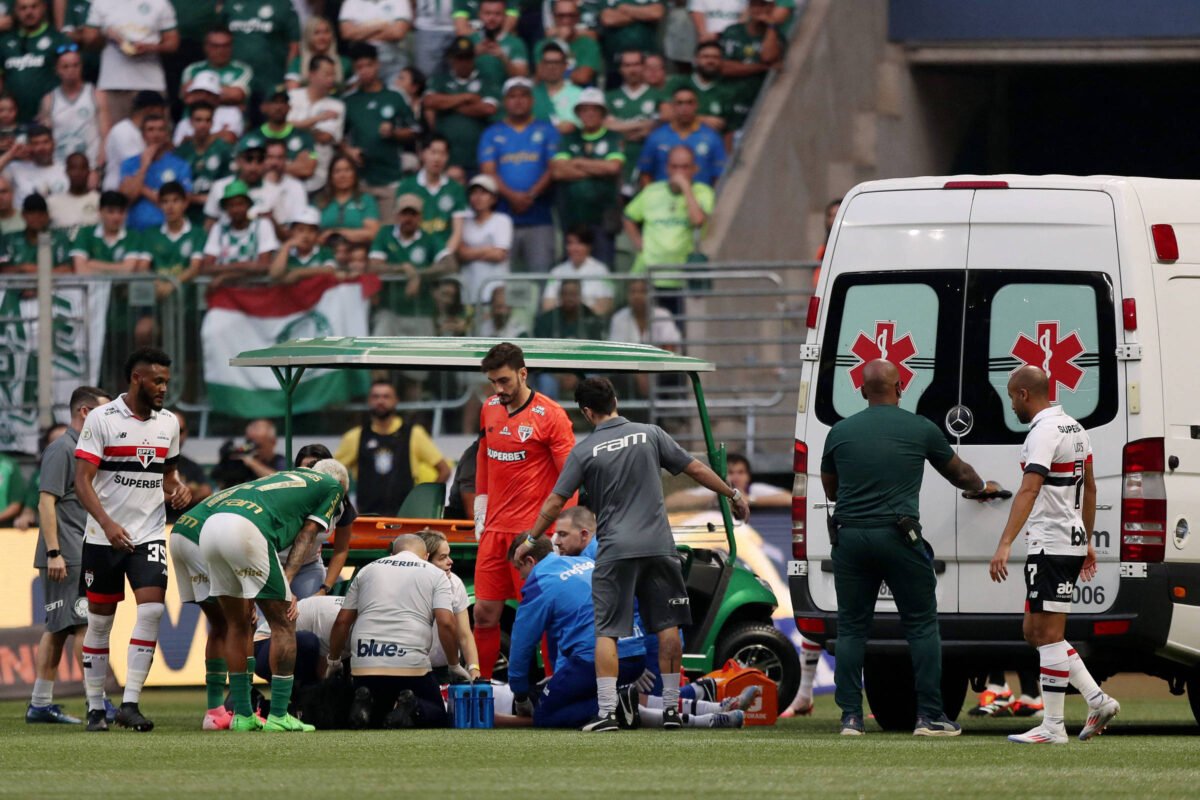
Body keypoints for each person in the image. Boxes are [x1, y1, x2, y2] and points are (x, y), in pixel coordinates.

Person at [516, 376, 747, 730]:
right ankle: (672, 710)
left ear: (586, 412)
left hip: (615, 550)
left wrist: (531, 539)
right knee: (668, 626)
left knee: (607, 632)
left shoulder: (584, 450)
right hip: (658, 545)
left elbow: (555, 502)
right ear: (616, 401)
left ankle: (607, 712)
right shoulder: (650, 433)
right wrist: (732, 495)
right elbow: (695, 469)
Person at [821, 358, 998, 737]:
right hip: (899, 535)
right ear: (901, 388)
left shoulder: (840, 431)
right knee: (920, 626)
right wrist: (982, 487)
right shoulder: (919, 428)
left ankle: (851, 717)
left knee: (852, 629)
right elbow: (959, 473)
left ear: (862, 390)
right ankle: (929, 716)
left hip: (850, 537)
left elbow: (831, 488)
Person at [988, 365, 1121, 744]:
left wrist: (1005, 541)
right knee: (1033, 631)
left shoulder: (1043, 433)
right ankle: (1097, 699)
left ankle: (1053, 726)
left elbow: (1029, 490)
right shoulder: (1075, 429)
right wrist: (1087, 538)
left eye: (1012, 397)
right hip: (1068, 539)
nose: (1012, 404)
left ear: (1024, 395)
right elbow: (1090, 488)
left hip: (1051, 542)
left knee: (1047, 634)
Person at [73, 347, 191, 732]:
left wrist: (178, 490)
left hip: (149, 534)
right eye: (158, 381)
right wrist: (107, 524)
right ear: (137, 378)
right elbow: (82, 482)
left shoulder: (168, 423)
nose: (163, 389)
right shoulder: (102, 420)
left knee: (153, 610)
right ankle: (94, 707)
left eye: (167, 382)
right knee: (100, 623)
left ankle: (130, 703)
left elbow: (167, 476)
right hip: (104, 538)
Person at [199, 459, 348, 732]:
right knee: (284, 622)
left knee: (236, 624)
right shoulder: (332, 486)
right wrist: (287, 586)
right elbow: (307, 535)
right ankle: (279, 714)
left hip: (210, 528)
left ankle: (243, 713)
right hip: (247, 532)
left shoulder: (285, 478)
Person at [471, 341, 575, 679]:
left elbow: (569, 478)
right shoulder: (489, 408)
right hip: (495, 532)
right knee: (484, 614)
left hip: (533, 536)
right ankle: (482, 689)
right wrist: (481, 504)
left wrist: (559, 531)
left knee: (541, 618)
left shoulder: (551, 415)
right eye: (493, 382)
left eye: (504, 381)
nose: (498, 389)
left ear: (523, 373)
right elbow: (484, 456)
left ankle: (552, 686)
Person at [26, 385, 110, 725]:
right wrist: (55, 552)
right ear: (85, 413)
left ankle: (40, 703)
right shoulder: (62, 449)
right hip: (67, 552)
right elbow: (46, 501)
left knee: (58, 628)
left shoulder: (87, 450)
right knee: (82, 626)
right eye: (104, 412)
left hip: (80, 548)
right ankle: (97, 702)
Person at [329, 534, 463, 729]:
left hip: (366, 666)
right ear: (425, 556)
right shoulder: (435, 575)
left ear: (392, 553)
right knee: (437, 715)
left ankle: (367, 702)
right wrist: (454, 664)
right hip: (411, 667)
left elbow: (342, 622)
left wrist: (333, 661)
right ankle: (413, 705)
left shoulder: (367, 570)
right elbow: (446, 623)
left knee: (379, 719)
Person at [333, 378, 452, 515]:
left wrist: (424, 501)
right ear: (369, 401)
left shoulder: (414, 434)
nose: (380, 401)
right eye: (375, 396)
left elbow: (444, 470)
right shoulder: (355, 437)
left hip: (404, 520)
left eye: (386, 396)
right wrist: (343, 506)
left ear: (396, 400)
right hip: (367, 519)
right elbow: (332, 475)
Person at [478, 76, 559, 273]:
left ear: (532, 100)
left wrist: (531, 195)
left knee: (541, 275)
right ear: (505, 101)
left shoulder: (547, 130)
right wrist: (512, 196)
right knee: (502, 279)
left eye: (523, 95)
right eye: (512, 96)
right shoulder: (492, 132)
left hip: (540, 215)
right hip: (502, 216)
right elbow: (488, 171)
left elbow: (554, 168)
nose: (518, 100)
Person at [623, 145, 712, 310]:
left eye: (685, 167)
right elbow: (628, 217)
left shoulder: (703, 192)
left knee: (677, 332)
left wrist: (686, 188)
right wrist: (638, 242)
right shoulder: (651, 191)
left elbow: (698, 220)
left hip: (679, 277)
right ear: (667, 168)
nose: (679, 172)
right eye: (674, 167)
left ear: (694, 169)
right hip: (648, 274)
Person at [342, 43, 417, 224]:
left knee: (388, 235)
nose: (365, 71)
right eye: (360, 67)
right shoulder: (349, 101)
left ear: (377, 65)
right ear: (354, 70)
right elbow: (339, 139)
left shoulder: (394, 96)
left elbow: (414, 131)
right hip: (361, 182)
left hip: (390, 180)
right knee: (362, 234)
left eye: (369, 65)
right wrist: (349, 152)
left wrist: (394, 132)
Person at [369, 192, 455, 347]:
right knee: (378, 357)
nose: (408, 218)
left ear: (420, 216)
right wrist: (402, 268)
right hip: (389, 310)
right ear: (396, 215)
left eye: (413, 214)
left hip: (421, 311)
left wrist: (417, 274)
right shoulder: (385, 234)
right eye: (404, 213)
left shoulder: (430, 238)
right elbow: (373, 266)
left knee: (420, 365)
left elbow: (450, 264)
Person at [550, 91, 623, 266]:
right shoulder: (569, 138)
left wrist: (578, 162)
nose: (589, 114)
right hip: (573, 217)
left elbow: (613, 167)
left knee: (604, 267)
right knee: (572, 270)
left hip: (603, 218)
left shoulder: (613, 137)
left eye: (594, 110)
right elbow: (558, 171)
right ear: (578, 113)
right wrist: (598, 167)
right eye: (585, 110)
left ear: (602, 113)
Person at [83, 0, 178, 122]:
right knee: (115, 137)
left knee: (155, 136)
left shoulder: (160, 3)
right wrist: (108, 35)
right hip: (113, 86)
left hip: (151, 85)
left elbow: (173, 43)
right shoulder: (101, 3)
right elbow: (88, 40)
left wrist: (149, 48)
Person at [291, 443, 358, 601]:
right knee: (264, 622)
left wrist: (325, 588)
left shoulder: (341, 505)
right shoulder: (288, 498)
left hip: (309, 565)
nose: (314, 475)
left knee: (311, 614)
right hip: (274, 566)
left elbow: (341, 549)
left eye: (317, 467)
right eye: (307, 469)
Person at [424, 37, 499, 176]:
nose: (464, 62)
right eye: (459, 58)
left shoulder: (485, 79)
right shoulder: (441, 79)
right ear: (452, 59)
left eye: (467, 58)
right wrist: (467, 97)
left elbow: (488, 109)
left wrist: (447, 104)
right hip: (446, 159)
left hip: (477, 157)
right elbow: (429, 102)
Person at [417, 529, 482, 682]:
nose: (450, 561)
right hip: (411, 670)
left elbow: (465, 635)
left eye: (449, 555)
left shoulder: (455, 582)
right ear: (425, 560)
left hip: (446, 669)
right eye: (443, 557)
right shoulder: (409, 585)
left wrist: (474, 668)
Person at [394, 132, 467, 254]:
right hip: (413, 256)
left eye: (442, 154)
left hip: (445, 255)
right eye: (433, 152)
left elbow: (457, 231)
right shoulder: (407, 186)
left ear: (448, 157)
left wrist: (444, 256)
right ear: (422, 154)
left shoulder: (456, 189)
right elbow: (399, 225)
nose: (437, 158)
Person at [638, 86, 725, 188]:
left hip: (700, 200)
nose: (685, 108)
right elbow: (645, 174)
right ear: (672, 106)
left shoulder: (712, 138)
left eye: (689, 103)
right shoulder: (656, 137)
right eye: (679, 103)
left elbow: (719, 177)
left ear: (696, 105)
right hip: (664, 201)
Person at [38, 45, 111, 168]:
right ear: (57, 70)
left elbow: (106, 135)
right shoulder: (49, 99)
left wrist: (98, 168)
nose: (71, 70)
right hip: (59, 165)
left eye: (75, 65)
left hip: (90, 165)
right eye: (65, 67)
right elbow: (45, 138)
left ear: (81, 67)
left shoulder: (96, 95)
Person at [118, 113, 192, 231]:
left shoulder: (180, 165)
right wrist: (144, 166)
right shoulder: (129, 164)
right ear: (143, 135)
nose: (156, 134)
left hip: (166, 232)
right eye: (150, 130)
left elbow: (183, 203)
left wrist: (141, 188)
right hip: (135, 231)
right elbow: (126, 199)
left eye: (160, 130)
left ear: (167, 134)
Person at [718, 0, 784, 132]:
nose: (758, 9)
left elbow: (768, 57)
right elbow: (724, 68)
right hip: (728, 100)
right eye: (754, 4)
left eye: (763, 5)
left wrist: (771, 27)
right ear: (749, 6)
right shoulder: (732, 31)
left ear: (771, 7)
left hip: (756, 101)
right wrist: (762, 68)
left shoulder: (777, 37)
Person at [605, 50, 664, 196]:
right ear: (621, 69)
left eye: (636, 65)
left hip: (649, 158)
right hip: (619, 158)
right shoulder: (610, 97)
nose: (632, 70)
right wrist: (643, 124)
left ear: (644, 67)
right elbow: (607, 126)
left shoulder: (657, 95)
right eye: (627, 65)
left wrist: (622, 127)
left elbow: (662, 122)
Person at [2, 0, 69, 123]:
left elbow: (71, 75)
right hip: (14, 119)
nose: (29, 12)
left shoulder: (58, 39)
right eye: (23, 8)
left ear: (43, 7)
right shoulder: (4, 42)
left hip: (51, 117)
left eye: (34, 6)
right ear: (15, 11)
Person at [222, 0, 300, 104]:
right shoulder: (230, 4)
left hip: (271, 80)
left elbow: (294, 45)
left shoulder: (282, 5)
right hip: (236, 80)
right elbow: (218, 36)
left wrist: (290, 76)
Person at [287, 55, 345, 193]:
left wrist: (295, 126)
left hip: (319, 180)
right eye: (326, 74)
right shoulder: (292, 97)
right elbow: (280, 127)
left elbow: (324, 137)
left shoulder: (337, 106)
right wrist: (318, 119)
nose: (331, 79)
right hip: (288, 174)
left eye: (333, 74)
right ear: (312, 74)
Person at [179, 28, 252, 136]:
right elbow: (186, 97)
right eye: (215, 46)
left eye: (225, 46)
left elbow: (237, 95)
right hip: (191, 123)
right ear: (206, 47)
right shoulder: (192, 69)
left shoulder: (242, 70)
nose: (221, 50)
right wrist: (222, 93)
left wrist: (199, 92)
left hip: (226, 123)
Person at [201, 179, 280, 278]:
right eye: (231, 205)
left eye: (240, 204)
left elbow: (263, 266)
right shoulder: (218, 228)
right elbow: (207, 267)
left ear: (248, 205)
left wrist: (226, 275)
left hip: (256, 290)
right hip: (225, 290)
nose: (236, 210)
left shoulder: (262, 225)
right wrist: (245, 266)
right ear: (226, 208)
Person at [174, 103, 234, 226]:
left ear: (212, 123)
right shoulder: (181, 152)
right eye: (198, 120)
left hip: (217, 215)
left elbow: (229, 183)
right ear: (191, 122)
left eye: (207, 120)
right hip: (186, 215)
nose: (203, 125)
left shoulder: (223, 150)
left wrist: (197, 199)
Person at [456, 173, 512, 305]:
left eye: (483, 193)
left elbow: (499, 254)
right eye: (474, 193)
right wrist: (487, 249)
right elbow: (460, 254)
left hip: (495, 294)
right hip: (469, 292)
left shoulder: (502, 220)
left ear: (493, 198)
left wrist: (471, 252)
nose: (478, 197)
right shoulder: (463, 221)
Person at [667, 452, 787, 511]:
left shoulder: (755, 489)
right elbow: (670, 502)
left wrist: (749, 500)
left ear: (748, 476)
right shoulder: (712, 491)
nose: (736, 477)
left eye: (740, 472)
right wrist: (716, 498)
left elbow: (789, 499)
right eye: (731, 472)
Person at [337, 0, 412, 85]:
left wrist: (360, 32)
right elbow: (347, 33)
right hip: (362, 63)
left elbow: (398, 33)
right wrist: (381, 26)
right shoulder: (351, 2)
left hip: (393, 63)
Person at [542, 225, 614, 313]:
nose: (574, 248)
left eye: (579, 243)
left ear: (589, 247)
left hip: (589, 321)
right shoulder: (556, 271)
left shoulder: (602, 270)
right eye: (570, 243)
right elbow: (547, 306)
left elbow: (604, 307)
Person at [102, 90, 165, 190]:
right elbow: (133, 166)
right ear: (150, 109)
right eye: (160, 111)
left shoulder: (143, 132)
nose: (162, 115)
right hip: (116, 191)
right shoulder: (123, 131)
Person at [69, 190, 142, 275]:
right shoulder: (85, 233)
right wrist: (119, 267)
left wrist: (93, 264)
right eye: (111, 212)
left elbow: (128, 270)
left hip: (122, 287)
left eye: (121, 212)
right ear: (100, 212)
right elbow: (81, 270)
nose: (116, 217)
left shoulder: (133, 236)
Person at [254, 89, 318, 186]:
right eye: (274, 102)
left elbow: (308, 169)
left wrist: (266, 166)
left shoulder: (304, 137)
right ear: (264, 107)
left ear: (289, 107)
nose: (279, 107)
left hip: (295, 193)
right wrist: (293, 165)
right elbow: (248, 170)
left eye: (283, 102)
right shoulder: (252, 137)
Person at [663, 41, 729, 133]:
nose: (710, 61)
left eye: (715, 57)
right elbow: (666, 114)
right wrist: (702, 120)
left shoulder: (726, 89)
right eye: (705, 57)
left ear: (721, 61)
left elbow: (726, 126)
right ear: (695, 60)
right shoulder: (677, 82)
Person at [318, 154, 382, 247]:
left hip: (358, 253)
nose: (342, 175)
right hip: (325, 254)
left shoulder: (366, 200)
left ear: (355, 174)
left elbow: (372, 233)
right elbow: (312, 235)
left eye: (347, 170)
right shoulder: (320, 201)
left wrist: (337, 233)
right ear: (330, 176)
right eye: (337, 171)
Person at [534, 0, 601, 88]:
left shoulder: (589, 44)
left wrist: (553, 72)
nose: (566, 20)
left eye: (571, 15)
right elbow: (540, 76)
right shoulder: (542, 45)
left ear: (577, 18)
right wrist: (560, 41)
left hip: (580, 95)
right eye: (561, 16)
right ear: (554, 17)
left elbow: (583, 77)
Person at [0, 193, 73, 270]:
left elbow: (67, 269)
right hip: (16, 282)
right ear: (23, 215)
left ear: (47, 215)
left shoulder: (60, 238)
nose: (36, 216)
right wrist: (22, 268)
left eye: (41, 213)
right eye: (31, 212)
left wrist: (34, 271)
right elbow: (3, 270)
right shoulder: (10, 239)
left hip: (51, 282)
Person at [2, 124, 68, 207]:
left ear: (53, 143)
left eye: (45, 142)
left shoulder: (66, 169)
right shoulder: (16, 168)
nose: (41, 148)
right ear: (29, 146)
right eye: (36, 143)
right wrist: (10, 154)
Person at [210, 418, 286, 489]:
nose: (254, 449)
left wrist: (252, 463)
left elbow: (282, 482)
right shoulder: (241, 463)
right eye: (249, 443)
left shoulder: (281, 462)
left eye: (258, 446)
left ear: (273, 442)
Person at [268, 205, 336, 282]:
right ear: (292, 232)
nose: (305, 235)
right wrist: (286, 246)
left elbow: (330, 270)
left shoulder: (325, 252)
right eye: (300, 230)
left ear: (317, 234)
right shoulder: (286, 253)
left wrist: (298, 273)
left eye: (311, 231)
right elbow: (275, 274)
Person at [599, 0, 663, 81]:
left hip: (647, 59)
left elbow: (655, 13)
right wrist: (642, 16)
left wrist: (626, 9)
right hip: (614, 62)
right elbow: (608, 19)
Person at [469, 0, 528, 85]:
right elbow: (457, 75)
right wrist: (473, 53)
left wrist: (503, 57)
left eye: (497, 14)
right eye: (487, 13)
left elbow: (521, 77)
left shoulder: (515, 43)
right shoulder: (471, 40)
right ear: (480, 15)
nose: (492, 18)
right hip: (476, 92)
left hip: (505, 94)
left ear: (504, 16)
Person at [286, 16, 352, 92]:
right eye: (316, 33)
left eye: (326, 32)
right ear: (308, 36)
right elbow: (293, 93)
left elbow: (353, 94)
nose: (322, 37)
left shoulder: (345, 63)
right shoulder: (297, 63)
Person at [532, 278, 605, 340]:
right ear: (560, 296)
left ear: (580, 296)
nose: (570, 298)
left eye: (573, 294)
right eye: (566, 294)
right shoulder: (545, 321)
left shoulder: (592, 320)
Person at [530, 42, 580, 133]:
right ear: (541, 65)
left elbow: (572, 127)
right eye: (547, 62)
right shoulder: (530, 95)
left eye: (556, 63)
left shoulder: (579, 95)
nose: (551, 67)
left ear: (565, 66)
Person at [46, 151, 99, 233]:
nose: (78, 173)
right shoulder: (51, 202)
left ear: (89, 171)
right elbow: (43, 231)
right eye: (73, 168)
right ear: (66, 171)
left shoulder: (99, 200)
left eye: (83, 168)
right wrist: (44, 246)